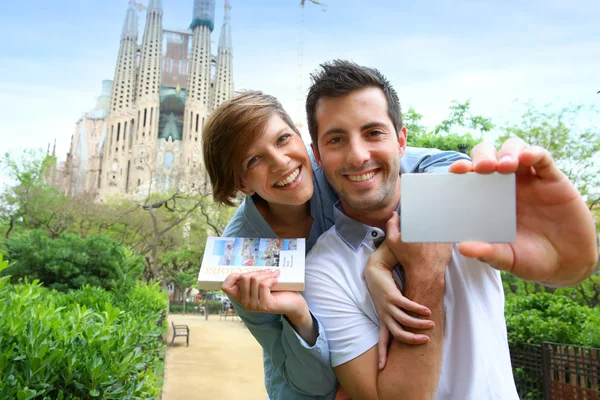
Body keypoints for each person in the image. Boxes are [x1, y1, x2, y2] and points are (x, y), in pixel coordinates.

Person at [302, 59, 599, 399]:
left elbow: (570, 268)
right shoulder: (323, 269)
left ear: (401, 141)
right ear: (319, 156)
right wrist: (424, 269)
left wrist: (571, 249)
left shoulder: (463, 199)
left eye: (373, 133)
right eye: (336, 139)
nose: (357, 156)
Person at [202, 91, 469, 399]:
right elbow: (309, 384)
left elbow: (452, 166)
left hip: (380, 361)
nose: (281, 163)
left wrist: (381, 260)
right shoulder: (238, 253)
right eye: (254, 159)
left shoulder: (338, 171)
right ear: (242, 184)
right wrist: (299, 316)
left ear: (302, 137)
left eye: (283, 139)